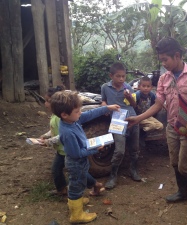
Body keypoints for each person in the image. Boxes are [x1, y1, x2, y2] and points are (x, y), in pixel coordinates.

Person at [126, 37, 187, 214]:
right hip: (172, 126)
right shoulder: (163, 78)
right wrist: (138, 118)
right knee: (174, 162)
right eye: (161, 60)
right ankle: (183, 192)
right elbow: (158, 104)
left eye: (165, 60)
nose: (163, 63)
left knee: (186, 165)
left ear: (177, 56)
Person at [50, 91, 120, 224]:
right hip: (76, 162)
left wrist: (107, 108)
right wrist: (94, 149)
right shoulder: (68, 132)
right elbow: (77, 154)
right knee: (76, 186)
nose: (80, 113)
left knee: (79, 182)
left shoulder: (72, 120)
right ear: (64, 114)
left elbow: (89, 114)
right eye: (77, 111)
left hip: (80, 162)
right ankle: (76, 215)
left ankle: (76, 201)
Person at [101, 62, 141, 189]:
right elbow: (103, 100)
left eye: (123, 76)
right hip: (117, 121)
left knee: (134, 148)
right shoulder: (105, 87)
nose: (121, 79)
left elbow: (134, 105)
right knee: (119, 150)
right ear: (111, 75)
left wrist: (129, 97)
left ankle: (133, 170)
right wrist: (105, 107)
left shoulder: (128, 87)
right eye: (118, 76)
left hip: (132, 119)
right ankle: (113, 175)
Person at [38, 85, 67, 196]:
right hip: (60, 151)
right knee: (56, 169)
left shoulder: (61, 118)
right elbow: (54, 130)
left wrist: (48, 142)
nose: (45, 104)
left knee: (77, 172)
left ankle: (94, 184)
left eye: (48, 101)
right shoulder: (54, 116)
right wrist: (45, 136)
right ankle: (62, 189)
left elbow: (62, 136)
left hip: (67, 151)